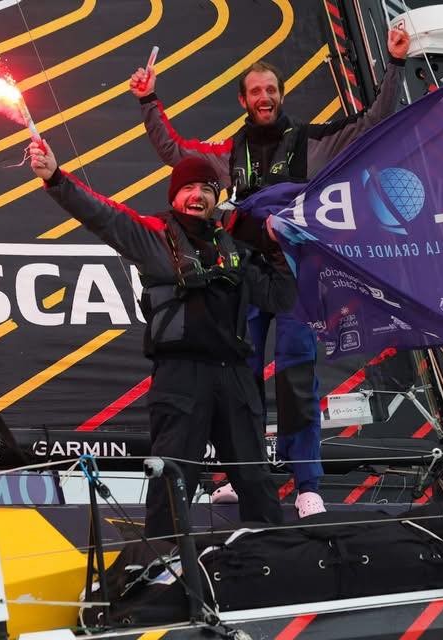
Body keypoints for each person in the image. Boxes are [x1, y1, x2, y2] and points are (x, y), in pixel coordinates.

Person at [128, 27, 411, 517]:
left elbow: (370, 124)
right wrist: (148, 100)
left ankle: (307, 484)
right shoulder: (228, 152)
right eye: (256, 91)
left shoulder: (310, 142)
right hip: (242, 276)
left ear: (281, 96)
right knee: (240, 377)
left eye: (271, 90)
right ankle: (243, 474)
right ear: (243, 100)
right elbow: (174, 152)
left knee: (297, 374)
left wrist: (396, 65)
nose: (265, 97)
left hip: (296, 275)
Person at [29, 142, 295, 538]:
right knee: (173, 479)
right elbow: (102, 215)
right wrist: (55, 177)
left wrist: (275, 248)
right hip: (180, 376)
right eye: (189, 188)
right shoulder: (153, 236)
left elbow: (280, 298)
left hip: (235, 376)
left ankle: (273, 556)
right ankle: (163, 563)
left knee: (254, 478)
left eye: (206, 189)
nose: (198, 195)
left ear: (215, 198)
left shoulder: (235, 245)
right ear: (174, 196)